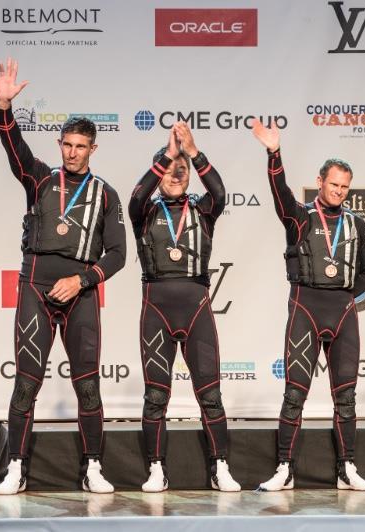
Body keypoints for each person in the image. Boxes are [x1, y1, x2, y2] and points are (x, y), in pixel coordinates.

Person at [0, 58, 126, 495]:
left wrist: (83, 280)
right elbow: (15, 150)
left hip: (81, 295)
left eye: (79, 146)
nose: (71, 152)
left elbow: (120, 253)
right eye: (66, 144)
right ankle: (16, 466)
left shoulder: (105, 193)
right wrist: (4, 107)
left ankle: (93, 467)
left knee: (88, 384)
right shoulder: (40, 179)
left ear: (93, 149)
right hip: (33, 287)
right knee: (27, 381)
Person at [250, 119, 365, 491]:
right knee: (294, 393)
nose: (339, 191)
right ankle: (284, 469)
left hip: (342, 313)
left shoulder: (358, 225)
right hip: (305, 307)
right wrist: (274, 153)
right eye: (333, 184)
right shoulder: (300, 216)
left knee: (346, 396)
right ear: (320, 182)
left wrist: (343, 295)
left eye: (345, 187)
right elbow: (279, 193)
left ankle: (347, 469)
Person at [128, 122, 241, 492]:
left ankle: (220, 466)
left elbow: (221, 192)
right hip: (156, 309)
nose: (177, 175)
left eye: (183, 171)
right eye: (170, 170)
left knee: (210, 394)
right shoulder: (143, 212)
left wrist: (193, 153)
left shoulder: (204, 209)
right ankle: (156, 468)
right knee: (156, 395)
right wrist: (167, 155)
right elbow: (136, 194)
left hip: (196, 310)